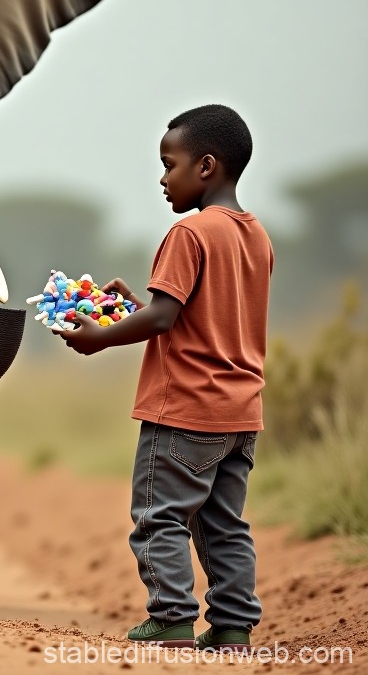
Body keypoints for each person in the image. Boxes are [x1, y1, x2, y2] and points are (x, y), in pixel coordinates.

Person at [58, 104, 273, 653]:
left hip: (182, 412)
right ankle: (231, 625)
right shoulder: (256, 238)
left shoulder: (189, 233)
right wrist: (135, 306)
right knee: (224, 523)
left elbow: (163, 318)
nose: (162, 178)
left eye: (168, 164)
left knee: (160, 517)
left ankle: (172, 616)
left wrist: (97, 336)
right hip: (239, 414)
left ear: (205, 166)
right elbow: (198, 318)